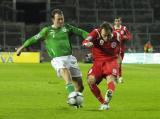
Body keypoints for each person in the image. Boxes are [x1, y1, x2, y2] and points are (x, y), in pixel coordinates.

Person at [16, 9, 88, 105]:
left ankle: (74, 101)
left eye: (62, 19)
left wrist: (91, 38)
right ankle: (72, 96)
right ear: (52, 20)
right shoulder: (47, 31)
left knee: (80, 86)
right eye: (58, 19)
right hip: (57, 59)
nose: (61, 21)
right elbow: (33, 39)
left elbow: (81, 32)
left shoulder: (67, 27)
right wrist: (22, 47)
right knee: (65, 72)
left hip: (70, 58)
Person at [82, 22, 121, 110]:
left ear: (112, 31)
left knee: (111, 79)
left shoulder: (117, 36)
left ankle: (107, 99)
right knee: (90, 81)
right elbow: (85, 41)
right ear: (100, 32)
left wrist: (118, 71)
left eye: (109, 35)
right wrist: (87, 44)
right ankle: (104, 103)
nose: (107, 38)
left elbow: (119, 52)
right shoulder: (96, 32)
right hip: (98, 62)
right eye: (104, 35)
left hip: (111, 61)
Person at [113, 16, 132, 83]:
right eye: (116, 21)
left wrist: (125, 37)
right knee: (115, 63)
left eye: (118, 21)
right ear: (114, 22)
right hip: (113, 49)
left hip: (121, 49)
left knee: (119, 63)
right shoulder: (112, 29)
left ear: (120, 22)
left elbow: (129, 36)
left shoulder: (124, 28)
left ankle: (118, 77)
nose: (117, 22)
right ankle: (117, 77)